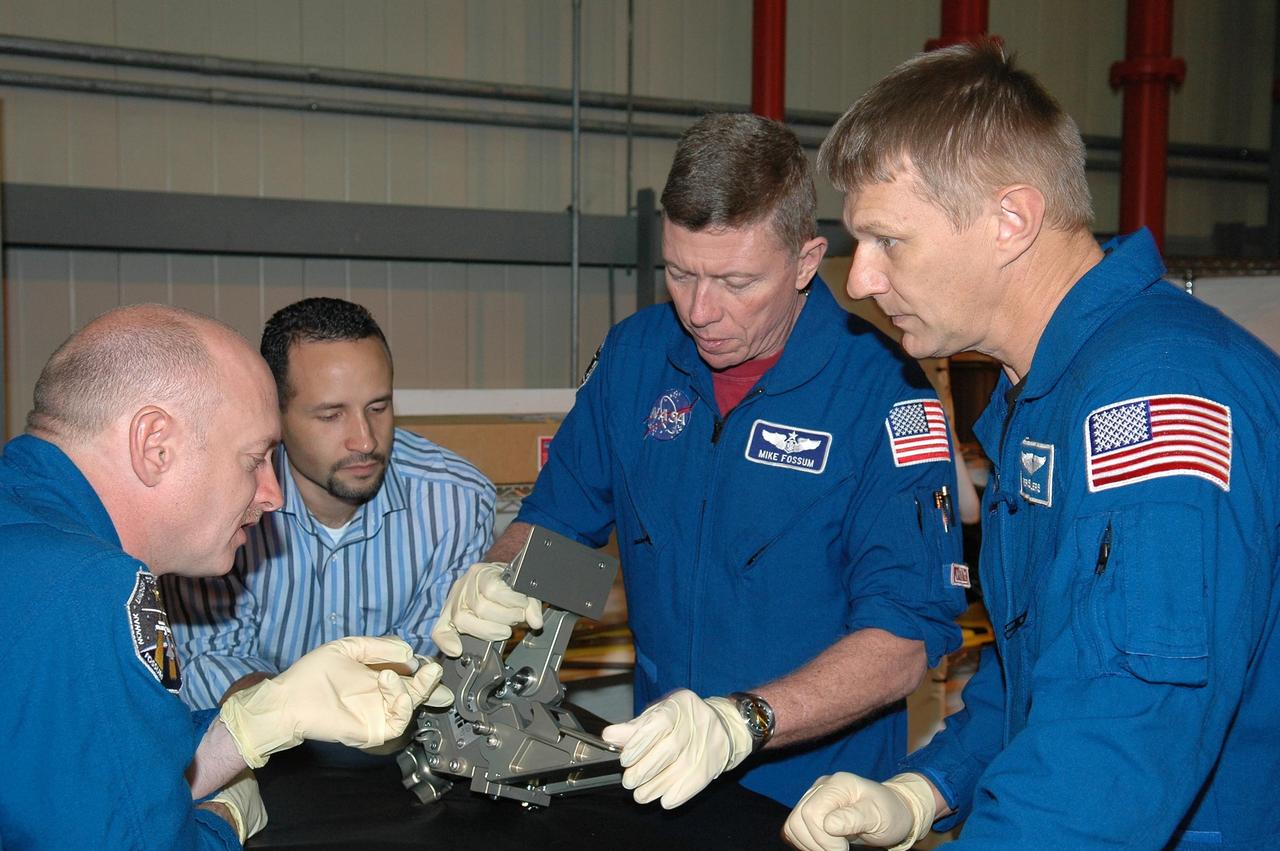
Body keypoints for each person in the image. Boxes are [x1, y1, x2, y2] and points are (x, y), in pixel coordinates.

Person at [784, 40, 1280, 850]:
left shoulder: (1153, 400)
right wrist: (926, 786)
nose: (862, 279)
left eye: (888, 241)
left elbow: (1111, 753)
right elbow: (1042, 673)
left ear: (1011, 220)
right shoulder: (1049, 393)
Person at [431, 112, 968, 809]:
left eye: (737, 282)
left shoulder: (881, 393)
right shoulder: (635, 360)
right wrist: (506, 576)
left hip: (818, 800)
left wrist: (742, 720)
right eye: (680, 274)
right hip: (662, 778)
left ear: (806, 262)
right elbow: (562, 523)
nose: (701, 310)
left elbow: (904, 639)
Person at [0, 305, 450, 847]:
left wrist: (252, 726)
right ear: (155, 444)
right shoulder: (88, 588)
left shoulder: (25, 526)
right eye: (254, 459)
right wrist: (223, 819)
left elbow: (87, 784)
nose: (272, 494)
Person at [163, 297, 495, 710]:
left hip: (402, 750)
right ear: (275, 415)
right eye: (331, 415)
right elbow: (208, 657)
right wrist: (294, 712)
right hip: (255, 744)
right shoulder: (218, 504)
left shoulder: (456, 503)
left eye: (379, 407)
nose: (365, 440)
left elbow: (431, 660)